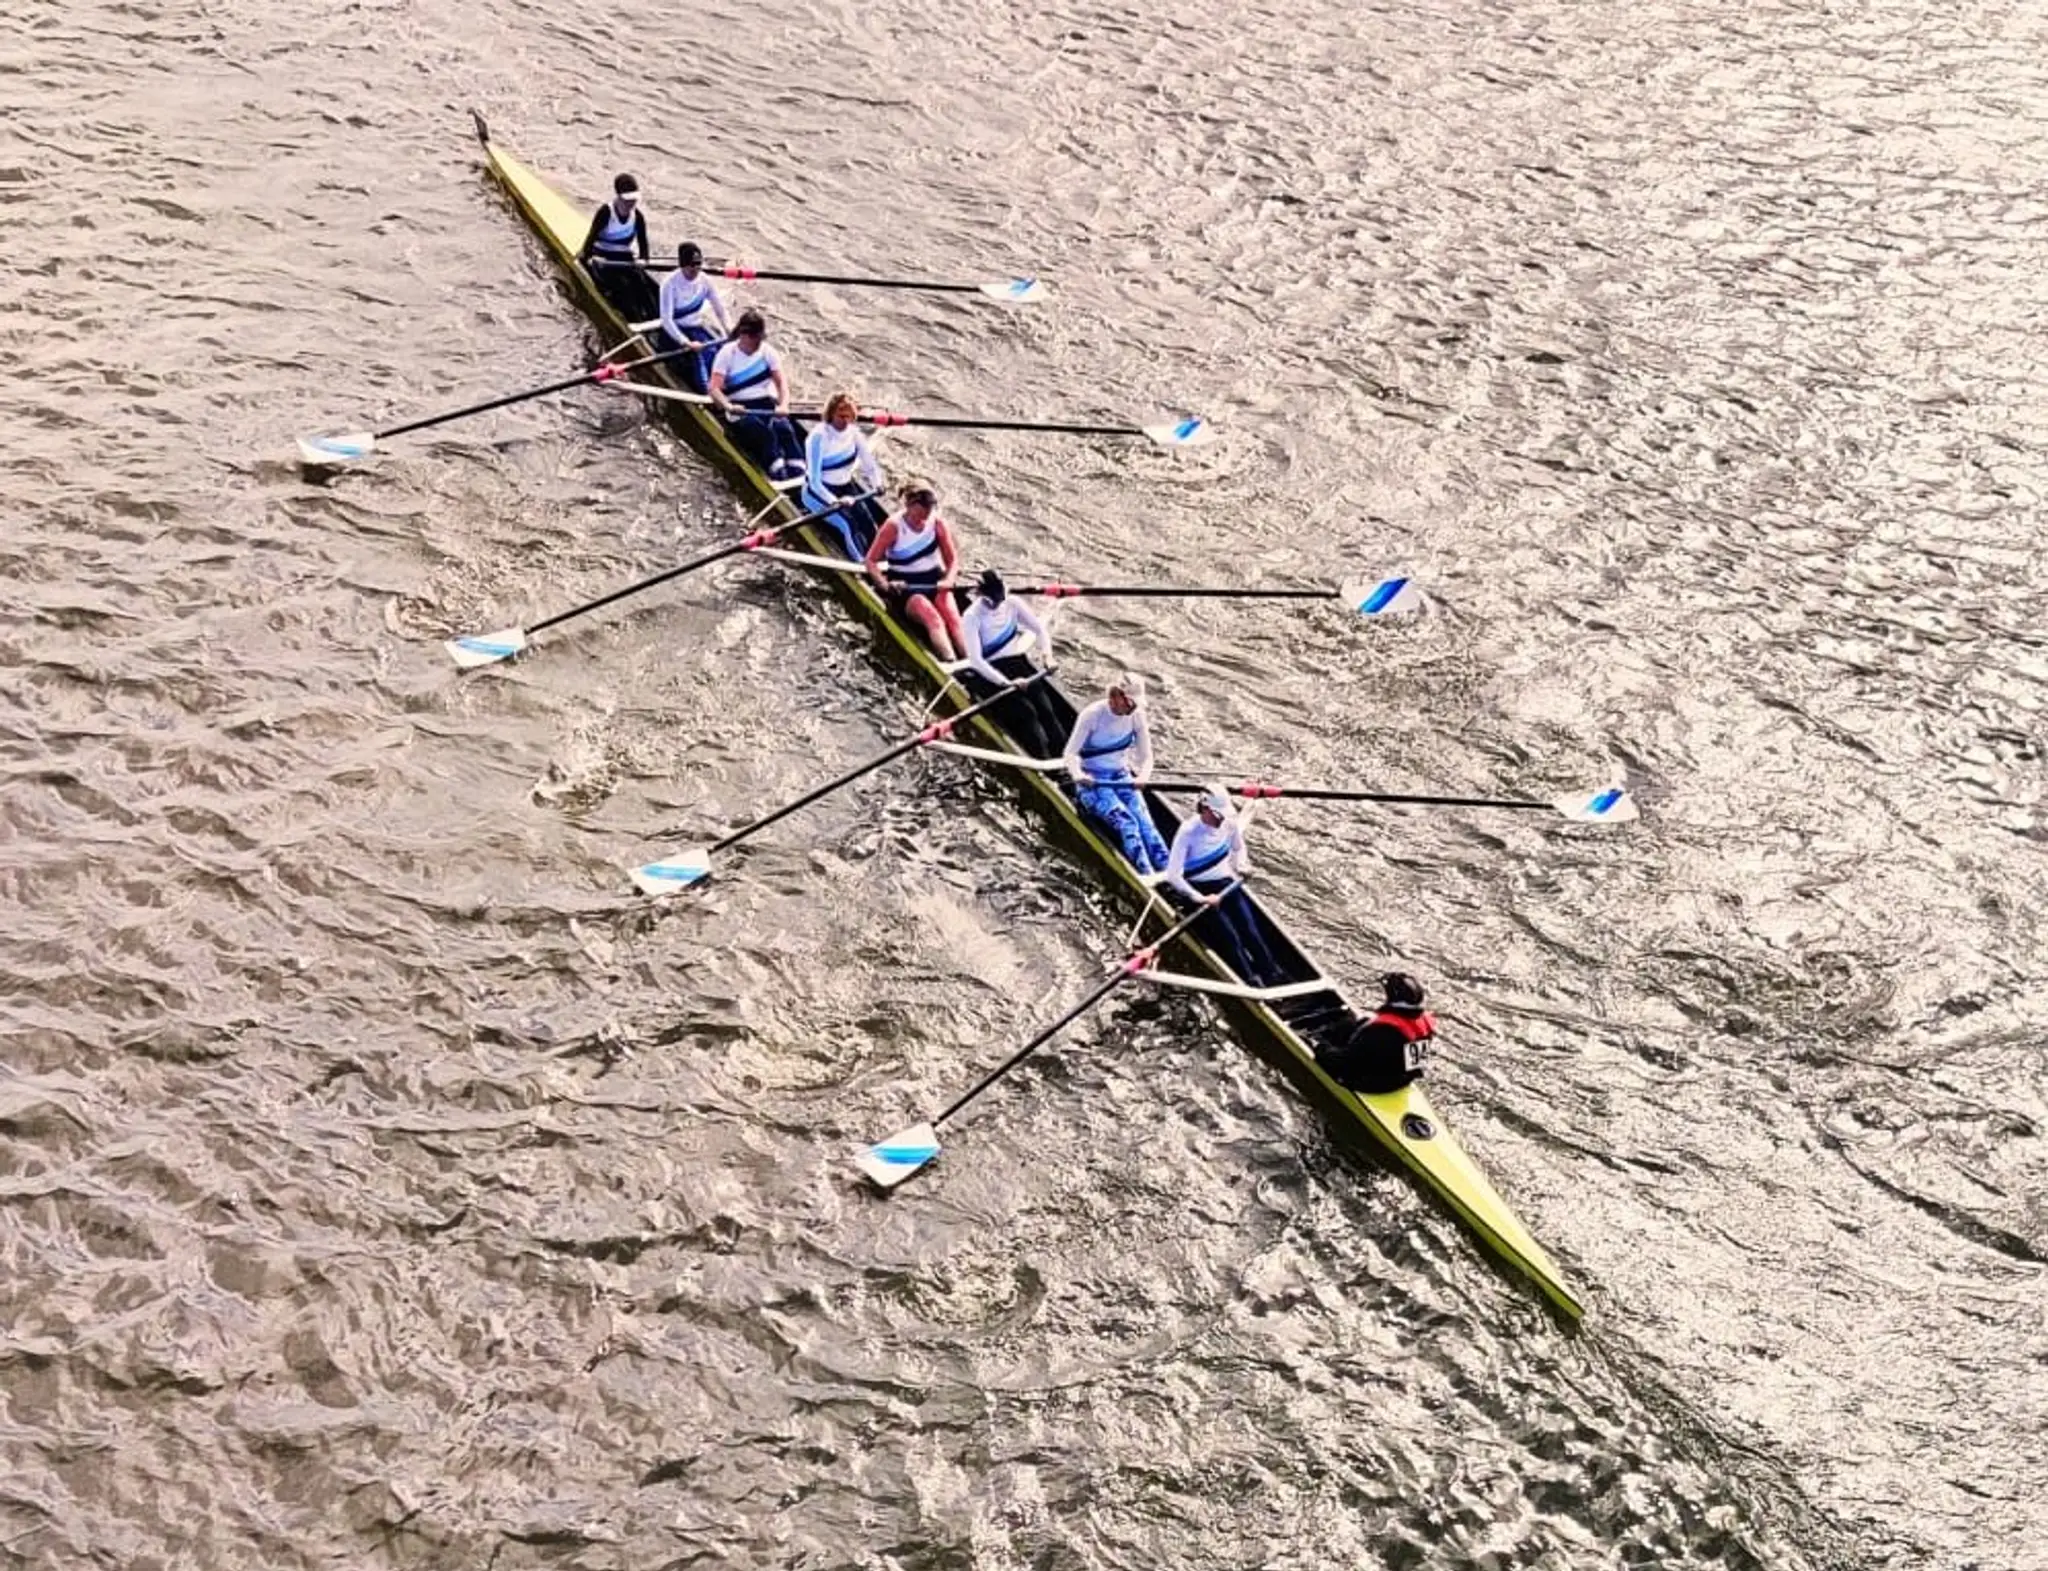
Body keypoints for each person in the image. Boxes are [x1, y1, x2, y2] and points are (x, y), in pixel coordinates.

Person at [1162, 784, 1283, 987]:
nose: (1221, 820)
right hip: (1199, 890)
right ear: (1205, 809)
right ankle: (1251, 982)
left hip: (1225, 883)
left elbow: (1238, 848)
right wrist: (1200, 898)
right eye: (1217, 815)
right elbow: (1173, 876)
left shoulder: (1229, 822)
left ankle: (1273, 974)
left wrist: (1242, 865)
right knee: (1230, 937)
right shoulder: (1188, 832)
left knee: (1250, 929)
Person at [1062, 673, 1169, 875]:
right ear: (1116, 696)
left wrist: (1143, 777)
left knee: (1148, 827)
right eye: (1130, 702)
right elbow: (1070, 753)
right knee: (1128, 824)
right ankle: (1148, 879)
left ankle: (1171, 877)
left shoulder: (1137, 716)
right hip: (1092, 781)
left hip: (1121, 776)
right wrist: (1077, 774)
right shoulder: (1092, 715)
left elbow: (1147, 757)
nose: (1133, 707)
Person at [957, 570, 1064, 760]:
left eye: (1000, 597)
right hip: (991, 674)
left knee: (1047, 709)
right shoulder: (971, 616)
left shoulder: (1012, 603)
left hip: (1018, 664)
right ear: (982, 594)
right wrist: (1005, 682)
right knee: (1028, 713)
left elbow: (1039, 629)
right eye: (994, 599)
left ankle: (1067, 758)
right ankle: (1046, 764)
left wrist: (1048, 656)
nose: (999, 602)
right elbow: (976, 660)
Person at [864, 483, 966, 659]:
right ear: (909, 505)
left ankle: (972, 661)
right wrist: (883, 584)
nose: (925, 518)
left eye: (929, 511)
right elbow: (871, 561)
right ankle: (951, 664)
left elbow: (952, 560)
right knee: (933, 618)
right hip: (906, 587)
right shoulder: (893, 527)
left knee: (953, 618)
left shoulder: (937, 523)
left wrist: (949, 580)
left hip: (935, 580)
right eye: (921, 513)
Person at [708, 309, 805, 481]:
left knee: (785, 428)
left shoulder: (768, 352)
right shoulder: (726, 354)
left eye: (760, 338)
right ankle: (778, 472)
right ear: (743, 335)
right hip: (738, 408)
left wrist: (783, 405)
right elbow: (714, 389)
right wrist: (729, 406)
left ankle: (800, 473)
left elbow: (782, 384)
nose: (758, 343)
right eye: (755, 338)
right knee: (764, 436)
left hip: (763, 402)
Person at [1319, 973, 1436, 1095]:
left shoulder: (1382, 1032)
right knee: (1352, 1024)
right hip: (1402, 1079)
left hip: (1370, 1085)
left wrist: (1321, 1049)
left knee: (1330, 1050)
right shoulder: (1423, 1024)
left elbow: (1345, 1062)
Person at [802, 392, 887, 557]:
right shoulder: (818, 437)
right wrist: (835, 501)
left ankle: (881, 562)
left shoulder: (854, 434)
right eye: (841, 416)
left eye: (850, 417)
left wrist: (878, 483)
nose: (846, 421)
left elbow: (870, 465)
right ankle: (863, 568)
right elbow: (814, 481)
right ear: (831, 413)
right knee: (849, 525)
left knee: (869, 525)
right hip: (818, 493)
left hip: (846, 488)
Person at [578, 173, 655, 320]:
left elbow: (643, 243)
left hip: (622, 257)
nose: (631, 204)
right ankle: (634, 321)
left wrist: (644, 259)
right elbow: (590, 238)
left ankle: (655, 317)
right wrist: (587, 259)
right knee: (623, 286)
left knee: (641, 282)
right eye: (628, 200)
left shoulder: (638, 216)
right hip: (602, 257)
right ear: (618, 197)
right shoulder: (605, 213)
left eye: (634, 200)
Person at [656, 242, 730, 392]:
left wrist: (729, 329)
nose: (696, 269)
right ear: (682, 265)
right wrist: (686, 342)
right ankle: (707, 392)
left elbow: (720, 309)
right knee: (699, 360)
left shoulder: (705, 281)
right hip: (675, 333)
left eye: (699, 264)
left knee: (724, 352)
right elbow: (667, 321)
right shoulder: (669, 284)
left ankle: (730, 385)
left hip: (696, 328)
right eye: (692, 265)